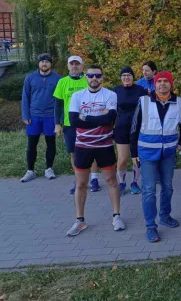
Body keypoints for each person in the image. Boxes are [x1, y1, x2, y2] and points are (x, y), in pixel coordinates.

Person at [66, 65, 125, 236]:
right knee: (81, 184)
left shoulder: (110, 94)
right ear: (86, 77)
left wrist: (86, 117)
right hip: (83, 146)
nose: (94, 79)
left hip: (104, 145)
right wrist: (99, 119)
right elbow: (74, 120)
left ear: (102, 77)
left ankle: (116, 216)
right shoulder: (77, 96)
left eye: (97, 76)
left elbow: (110, 117)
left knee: (111, 181)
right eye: (91, 75)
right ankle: (80, 220)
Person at [129, 71, 181, 242]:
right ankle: (151, 226)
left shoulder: (180, 102)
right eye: (158, 81)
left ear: (171, 84)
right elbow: (134, 127)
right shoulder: (144, 101)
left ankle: (165, 216)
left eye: (165, 81)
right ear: (154, 84)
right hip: (147, 153)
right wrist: (133, 152)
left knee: (168, 187)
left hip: (168, 152)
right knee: (149, 190)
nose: (162, 84)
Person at [53, 56, 102, 194]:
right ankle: (79, 180)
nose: (74, 66)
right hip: (70, 124)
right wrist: (57, 124)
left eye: (77, 64)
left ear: (82, 66)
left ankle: (93, 179)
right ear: (68, 66)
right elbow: (57, 105)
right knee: (74, 152)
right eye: (72, 64)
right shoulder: (62, 82)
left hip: (88, 122)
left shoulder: (89, 79)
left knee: (91, 150)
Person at [20, 53, 61, 182]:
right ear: (38, 63)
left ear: (51, 64)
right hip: (34, 117)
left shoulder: (58, 79)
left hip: (50, 116)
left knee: (51, 143)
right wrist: (25, 115)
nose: (44, 64)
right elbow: (25, 97)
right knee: (32, 144)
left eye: (47, 62)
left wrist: (58, 120)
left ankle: (49, 169)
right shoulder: (30, 78)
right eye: (42, 61)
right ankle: (30, 170)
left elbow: (60, 101)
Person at [113, 66, 147, 194]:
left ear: (133, 77)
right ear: (121, 78)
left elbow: (146, 109)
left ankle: (134, 182)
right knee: (122, 159)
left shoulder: (141, 90)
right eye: (124, 75)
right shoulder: (116, 90)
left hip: (137, 127)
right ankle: (121, 182)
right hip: (121, 127)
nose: (126, 77)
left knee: (136, 157)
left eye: (129, 75)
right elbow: (111, 109)